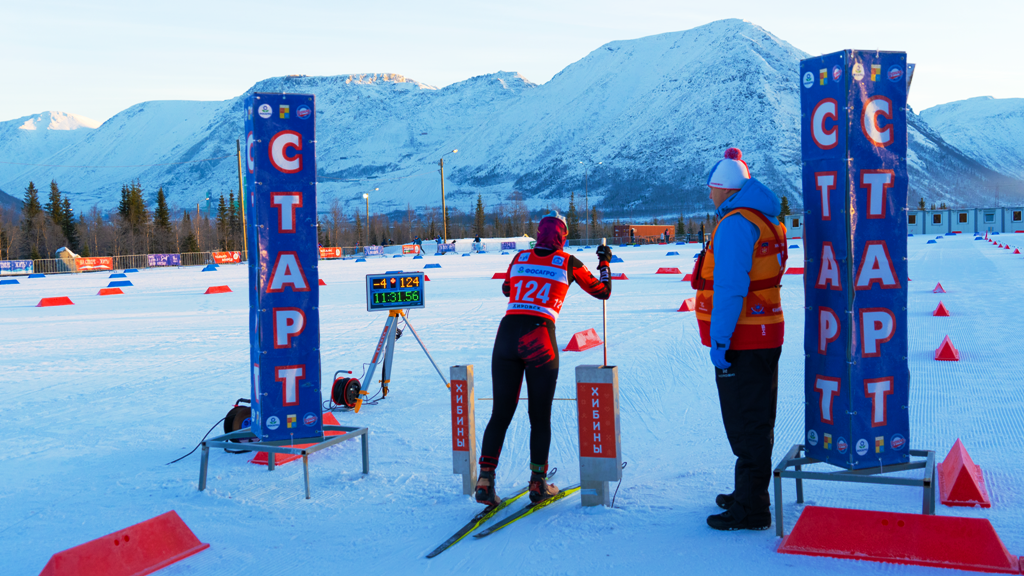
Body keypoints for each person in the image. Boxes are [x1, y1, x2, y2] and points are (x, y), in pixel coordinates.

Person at [476, 211, 613, 505]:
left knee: (500, 412)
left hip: (507, 335)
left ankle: (485, 479)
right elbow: (603, 292)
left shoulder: (519, 258)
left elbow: (506, 289)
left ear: (538, 234)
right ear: (562, 237)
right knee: (539, 416)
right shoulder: (568, 262)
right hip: (539, 337)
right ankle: (537, 482)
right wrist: (604, 262)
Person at [693, 147, 787, 531]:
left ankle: (751, 508)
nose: (709, 195)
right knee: (756, 418)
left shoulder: (734, 223)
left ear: (723, 189)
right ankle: (747, 493)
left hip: (744, 338)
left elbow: (731, 287)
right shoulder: (763, 218)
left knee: (746, 423)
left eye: (711, 189)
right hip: (765, 331)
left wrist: (720, 339)